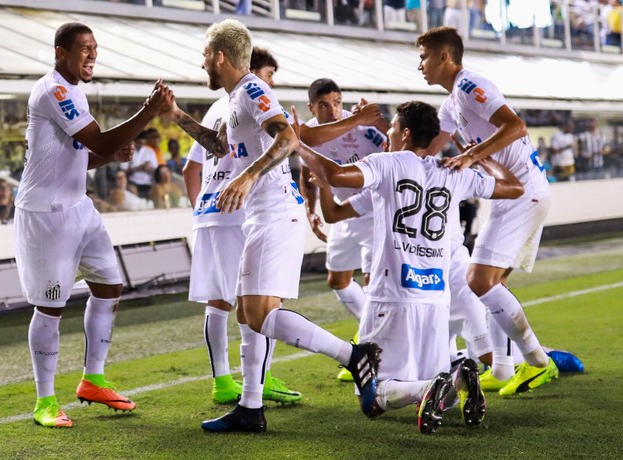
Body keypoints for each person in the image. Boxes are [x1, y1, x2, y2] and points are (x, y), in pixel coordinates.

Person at [165, 19, 381, 432]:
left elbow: (288, 140)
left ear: (220, 57)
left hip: (276, 212)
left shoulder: (251, 89)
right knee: (248, 313)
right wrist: (175, 114)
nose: (202, 62)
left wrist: (247, 177)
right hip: (258, 216)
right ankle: (250, 407)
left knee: (259, 313)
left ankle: (355, 357)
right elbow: (219, 146)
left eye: (205, 55)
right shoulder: (234, 98)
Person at [296, 100, 524, 433]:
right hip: (435, 298)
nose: (386, 133)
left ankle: (429, 387)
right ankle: (459, 378)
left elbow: (335, 173)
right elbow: (514, 187)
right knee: (438, 387)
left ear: (404, 133)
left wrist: (296, 143)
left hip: (391, 295)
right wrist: (479, 157)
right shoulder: (453, 170)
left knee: (372, 397)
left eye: (390, 128)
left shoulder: (387, 164)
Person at [14, 21, 173, 428]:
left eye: (95, 48)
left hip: (79, 208)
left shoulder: (75, 92)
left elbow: (85, 153)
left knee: (109, 287)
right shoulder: (54, 90)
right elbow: (99, 142)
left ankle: (92, 380)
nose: (92, 54)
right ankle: (45, 402)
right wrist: (148, 112)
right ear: (60, 52)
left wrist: (110, 156)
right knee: (50, 306)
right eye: (84, 48)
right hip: (46, 214)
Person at [417, 27, 558, 396]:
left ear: (444, 57)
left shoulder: (469, 85)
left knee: (478, 281)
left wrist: (471, 155)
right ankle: (501, 366)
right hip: (516, 194)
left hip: (520, 191)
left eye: (423, 57)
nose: (420, 65)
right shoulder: (451, 104)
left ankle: (539, 361)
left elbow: (515, 125)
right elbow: (430, 147)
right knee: (494, 284)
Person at [182, 46, 304, 406]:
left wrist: (199, 207)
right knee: (258, 303)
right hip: (240, 209)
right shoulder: (250, 98)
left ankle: (225, 381)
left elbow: (198, 163)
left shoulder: (221, 105)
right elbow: (288, 139)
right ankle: (260, 380)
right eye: (268, 75)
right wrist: (248, 179)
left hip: (210, 211)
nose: (269, 84)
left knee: (219, 300)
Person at [298, 78, 388, 381]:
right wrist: (310, 211)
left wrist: (378, 120)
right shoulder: (308, 135)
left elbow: (394, 145)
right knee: (337, 280)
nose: (333, 109)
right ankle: (370, 340)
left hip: (372, 209)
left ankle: (378, 348)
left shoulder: (362, 128)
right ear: (312, 108)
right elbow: (304, 172)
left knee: (373, 281)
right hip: (339, 211)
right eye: (324, 104)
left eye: (337, 102)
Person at [121, 128, 159, 199]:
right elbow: (123, 170)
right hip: (133, 182)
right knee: (132, 191)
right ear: (135, 141)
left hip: (148, 182)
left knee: (156, 191)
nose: (141, 145)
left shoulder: (150, 151)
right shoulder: (128, 151)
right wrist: (137, 168)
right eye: (139, 143)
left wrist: (148, 167)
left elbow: (156, 170)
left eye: (143, 143)